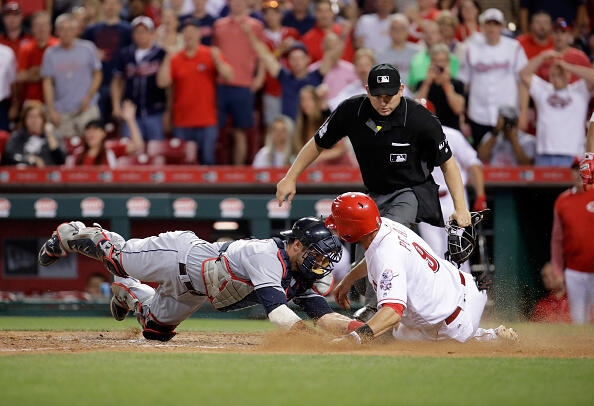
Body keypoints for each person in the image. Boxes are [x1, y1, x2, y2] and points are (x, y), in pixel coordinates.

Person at [276, 63, 471, 321]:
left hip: (411, 189)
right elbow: (318, 142)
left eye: (389, 95)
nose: (383, 101)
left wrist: (461, 206)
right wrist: (290, 176)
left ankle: (378, 310)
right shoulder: (351, 110)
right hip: (374, 192)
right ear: (367, 90)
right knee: (366, 246)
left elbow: (448, 162)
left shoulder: (419, 118)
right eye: (377, 95)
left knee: (384, 237)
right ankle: (384, 304)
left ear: (402, 89)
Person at [38, 217, 360, 341]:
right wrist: (308, 339)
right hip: (178, 255)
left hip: (192, 290)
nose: (319, 262)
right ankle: (70, 234)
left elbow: (325, 316)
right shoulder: (267, 255)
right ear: (296, 244)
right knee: (117, 258)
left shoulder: (300, 274)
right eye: (315, 253)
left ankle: (128, 293)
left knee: (155, 331)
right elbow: (277, 312)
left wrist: (365, 331)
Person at [328, 192, 518, 343]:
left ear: (352, 229)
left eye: (339, 223)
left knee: (400, 332)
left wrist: (354, 339)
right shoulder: (383, 225)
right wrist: (349, 279)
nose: (335, 227)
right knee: (401, 331)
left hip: (452, 320)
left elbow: (392, 312)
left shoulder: (387, 256)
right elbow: (374, 257)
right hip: (462, 288)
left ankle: (488, 338)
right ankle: (487, 336)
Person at [157, 17, 233, 165]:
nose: (189, 35)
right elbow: (162, 82)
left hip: (207, 121)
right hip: (182, 122)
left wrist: (217, 59)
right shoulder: (175, 58)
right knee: (183, 164)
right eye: (186, 32)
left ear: (199, 34)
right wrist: (167, 56)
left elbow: (229, 76)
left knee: (208, 160)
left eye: (192, 31)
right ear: (182, 36)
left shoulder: (210, 53)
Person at [417, 124, 485, 275]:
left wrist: (480, 195)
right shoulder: (410, 134)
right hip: (427, 200)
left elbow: (473, 163)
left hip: (453, 198)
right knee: (432, 251)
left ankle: (465, 293)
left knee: (458, 250)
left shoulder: (451, 135)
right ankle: (440, 295)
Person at [458, 8, 527, 148]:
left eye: (495, 24)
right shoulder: (471, 48)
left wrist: (524, 112)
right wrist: (461, 115)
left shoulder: (514, 47)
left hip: (508, 112)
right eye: (488, 24)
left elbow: (523, 82)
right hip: (478, 114)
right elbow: (464, 84)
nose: (491, 28)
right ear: (482, 26)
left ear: (501, 26)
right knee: (480, 157)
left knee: (507, 159)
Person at [520, 51, 594, 167]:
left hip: (573, 155)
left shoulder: (579, 90)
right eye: (553, 75)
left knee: (573, 186)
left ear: (569, 75)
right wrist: (542, 56)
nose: (557, 78)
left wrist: (568, 66)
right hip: (544, 154)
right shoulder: (543, 89)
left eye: (561, 74)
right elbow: (523, 74)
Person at [213, 0, 265, 165]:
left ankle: (238, 170)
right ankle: (218, 169)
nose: (237, 3)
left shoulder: (256, 25)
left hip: (244, 85)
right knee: (218, 131)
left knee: (240, 131)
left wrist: (260, 77)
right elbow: (214, 53)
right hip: (221, 85)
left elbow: (262, 52)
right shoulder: (219, 25)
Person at [41, 13, 102, 139]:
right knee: (65, 149)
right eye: (62, 29)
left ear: (76, 30)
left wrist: (89, 97)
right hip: (62, 111)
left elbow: (97, 75)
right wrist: (51, 110)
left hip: (86, 108)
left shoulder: (88, 48)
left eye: (70, 29)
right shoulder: (50, 53)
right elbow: (47, 82)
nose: (67, 33)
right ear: (57, 31)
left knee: (91, 146)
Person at [551, 159, 594, 324]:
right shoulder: (562, 201)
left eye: (582, 169)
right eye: (576, 169)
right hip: (574, 270)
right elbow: (556, 239)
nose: (579, 173)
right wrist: (557, 271)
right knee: (578, 319)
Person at [112, 16, 167, 141]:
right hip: (131, 112)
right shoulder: (125, 54)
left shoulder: (161, 53)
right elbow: (117, 81)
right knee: (131, 151)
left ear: (151, 33)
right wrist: (116, 105)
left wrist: (168, 112)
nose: (141, 35)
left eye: (144, 31)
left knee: (156, 151)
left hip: (155, 110)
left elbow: (168, 85)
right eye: (137, 31)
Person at [81, 0, 133, 120]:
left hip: (121, 83)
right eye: (107, 3)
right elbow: (84, 56)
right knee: (99, 120)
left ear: (120, 6)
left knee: (121, 119)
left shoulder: (128, 29)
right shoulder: (91, 30)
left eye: (114, 3)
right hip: (98, 84)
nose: (111, 7)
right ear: (102, 6)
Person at [68, 100, 144, 167]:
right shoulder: (78, 153)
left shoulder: (110, 149)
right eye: (88, 130)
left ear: (103, 133)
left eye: (95, 130)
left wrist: (130, 120)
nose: (90, 134)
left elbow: (137, 145)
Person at [414, 43, 465, 130]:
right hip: (427, 131)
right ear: (431, 62)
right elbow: (416, 109)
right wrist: (427, 83)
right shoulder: (422, 84)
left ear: (448, 63)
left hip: (450, 132)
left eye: (442, 61)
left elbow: (458, 109)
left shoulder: (457, 84)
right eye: (435, 61)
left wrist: (446, 83)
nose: (439, 64)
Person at [0, 101, 65, 167]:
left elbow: (61, 160)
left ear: (43, 120)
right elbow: (9, 156)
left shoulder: (52, 135)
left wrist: (50, 136)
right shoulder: (17, 136)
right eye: (31, 117)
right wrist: (31, 160)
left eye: (38, 117)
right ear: (25, 119)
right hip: (22, 175)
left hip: (48, 175)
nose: (34, 120)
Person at [16, 12, 58, 106]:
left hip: (56, 99)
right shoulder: (26, 48)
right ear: (32, 28)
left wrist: (34, 72)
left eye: (44, 25)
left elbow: (60, 73)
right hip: (32, 100)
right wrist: (47, 74)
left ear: (50, 27)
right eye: (37, 25)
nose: (41, 28)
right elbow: (21, 76)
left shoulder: (58, 46)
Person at [407, 20, 459, 91]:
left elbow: (455, 85)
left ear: (440, 35)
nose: (429, 35)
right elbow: (411, 86)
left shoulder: (451, 59)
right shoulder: (416, 58)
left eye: (433, 32)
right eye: (426, 32)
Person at [376, 14, 420, 85]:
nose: (398, 31)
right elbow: (378, 79)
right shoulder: (380, 55)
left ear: (408, 31)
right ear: (389, 31)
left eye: (402, 28)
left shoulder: (418, 53)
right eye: (394, 28)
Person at [0, 42, 16, 131]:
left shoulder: (7, 53)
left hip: (2, 105)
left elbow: (13, 81)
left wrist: (15, 105)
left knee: (3, 139)